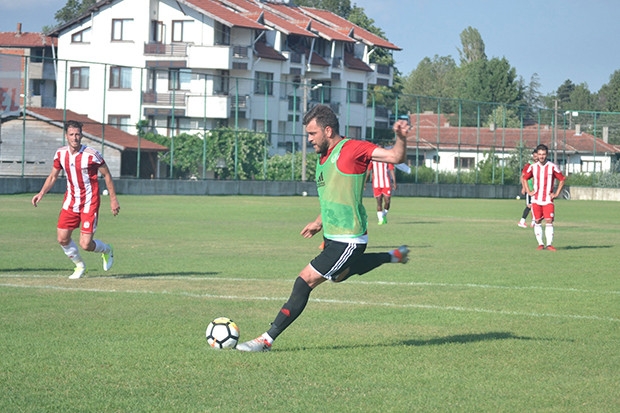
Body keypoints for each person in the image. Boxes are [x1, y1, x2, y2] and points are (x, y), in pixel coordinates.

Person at [236, 104, 411, 352]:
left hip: (349, 239)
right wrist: (319, 222)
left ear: (328, 130)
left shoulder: (353, 149)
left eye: (312, 134)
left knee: (304, 280)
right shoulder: (322, 159)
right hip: (332, 237)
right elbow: (332, 195)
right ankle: (391, 256)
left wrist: (401, 138)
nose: (309, 139)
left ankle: (266, 339)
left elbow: (395, 157)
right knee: (338, 276)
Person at [32, 120, 120, 279]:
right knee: (62, 238)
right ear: (66, 136)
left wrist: (113, 200)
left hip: (89, 202)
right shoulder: (60, 154)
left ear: (82, 135)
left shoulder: (91, 155)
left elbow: (106, 174)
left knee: (86, 244)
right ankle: (80, 266)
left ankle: (107, 250)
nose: (75, 138)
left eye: (77, 134)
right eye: (71, 134)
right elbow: (53, 176)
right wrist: (41, 193)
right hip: (70, 202)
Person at [521, 143, 565, 251]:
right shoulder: (533, 167)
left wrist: (556, 193)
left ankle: (549, 244)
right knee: (537, 221)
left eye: (543, 154)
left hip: (548, 200)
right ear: (537, 155)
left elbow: (562, 179)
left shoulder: (552, 167)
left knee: (549, 221)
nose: (541, 156)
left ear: (547, 154)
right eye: (540, 154)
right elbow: (525, 178)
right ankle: (541, 244)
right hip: (536, 199)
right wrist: (528, 191)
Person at [366, 157, 397, 225]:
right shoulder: (373, 160)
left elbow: (391, 170)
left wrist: (394, 182)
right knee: (379, 201)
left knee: (387, 201)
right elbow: (369, 170)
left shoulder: (387, 159)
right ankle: (380, 220)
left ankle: (384, 215)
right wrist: (365, 182)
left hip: (386, 183)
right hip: (377, 184)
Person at [517, 149, 538, 228]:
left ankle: (533, 222)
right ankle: (523, 221)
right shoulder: (528, 165)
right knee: (530, 205)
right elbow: (522, 177)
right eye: (534, 156)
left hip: (537, 189)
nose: (536, 158)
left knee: (535, 205)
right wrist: (524, 187)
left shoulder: (540, 165)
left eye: (537, 156)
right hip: (529, 189)